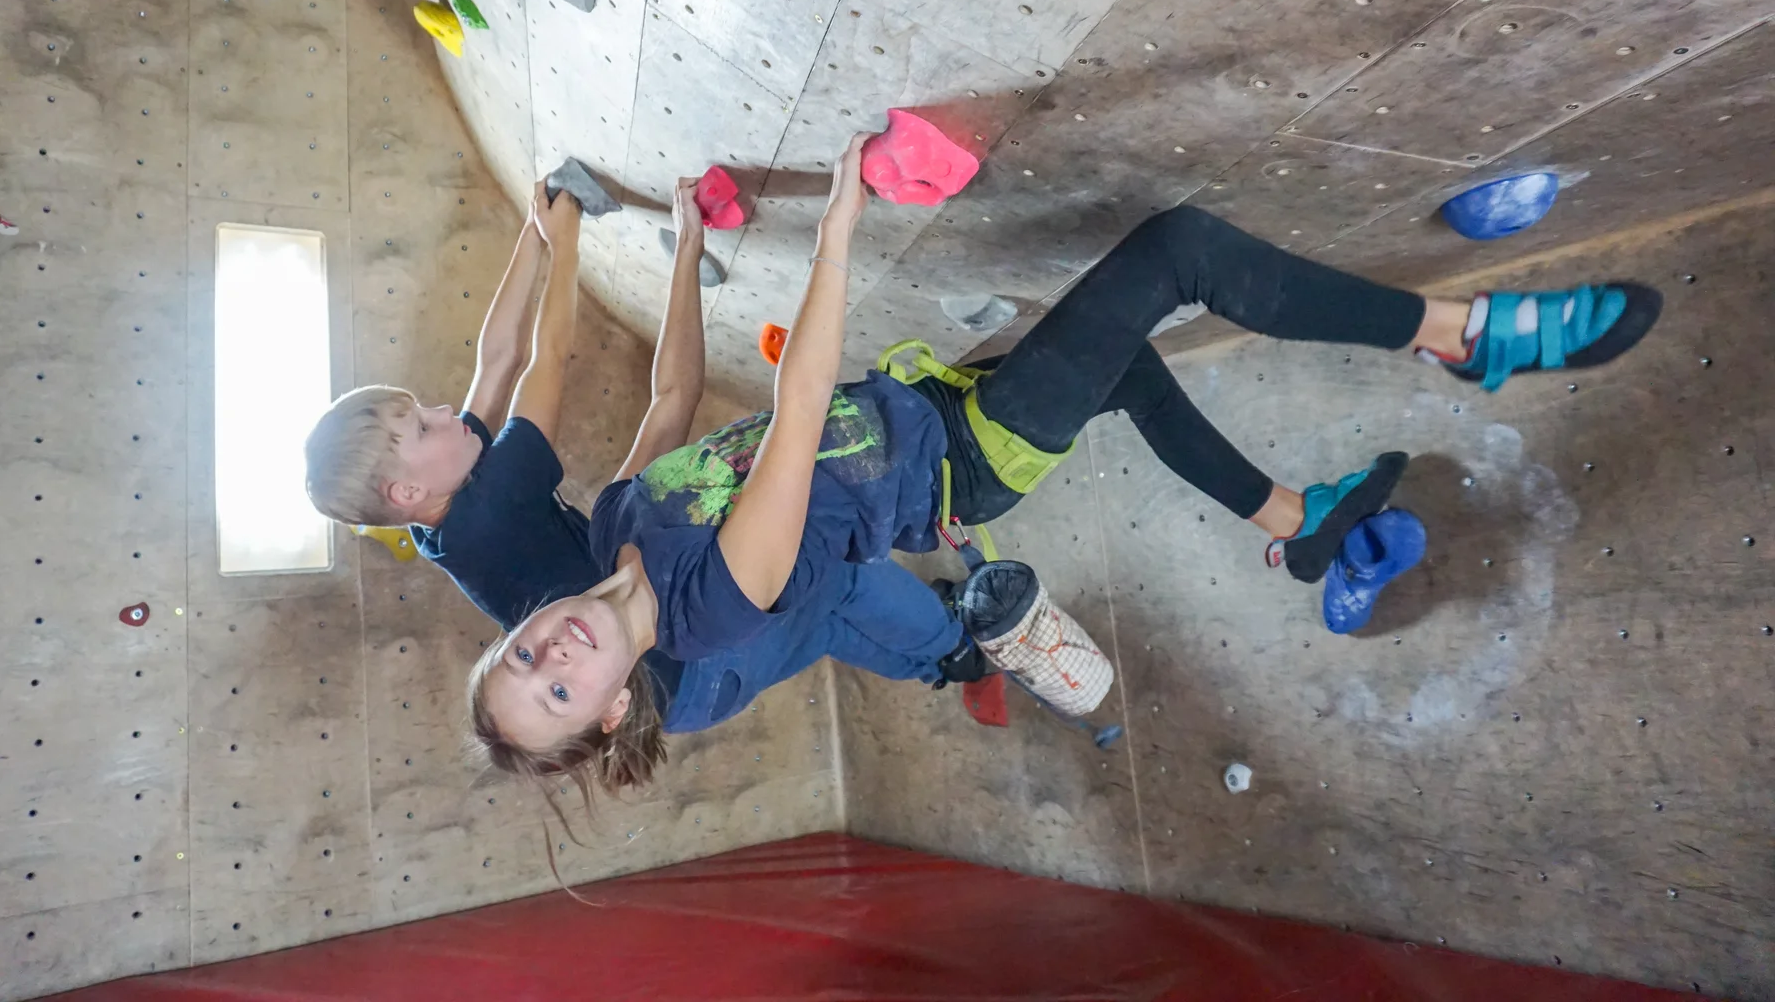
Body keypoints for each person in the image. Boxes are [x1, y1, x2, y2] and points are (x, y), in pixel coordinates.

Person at [467, 133, 1662, 804]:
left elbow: (675, 394)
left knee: (1127, 368)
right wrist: (837, 236)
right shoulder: (712, 612)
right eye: (562, 693)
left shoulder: (617, 518)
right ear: (618, 704)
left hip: (922, 399)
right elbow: (788, 426)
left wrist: (684, 250)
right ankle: (1469, 338)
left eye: (524, 654)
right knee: (1178, 253)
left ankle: (1298, 522)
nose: (554, 655)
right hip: (959, 466)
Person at [303, 173, 721, 758]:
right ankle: (688, 249)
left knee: (669, 413)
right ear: (405, 490)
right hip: (680, 674)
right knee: (670, 417)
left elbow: (496, 362)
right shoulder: (490, 510)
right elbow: (545, 359)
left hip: (618, 592)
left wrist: (534, 229)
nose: (445, 411)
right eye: (422, 425)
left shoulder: (438, 496)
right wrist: (568, 239)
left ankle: (689, 252)